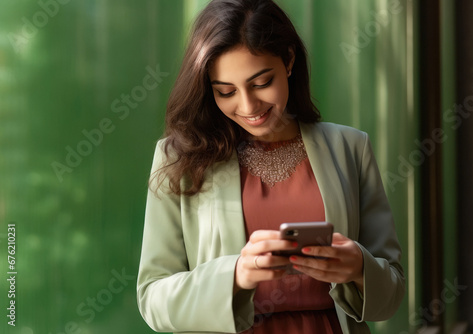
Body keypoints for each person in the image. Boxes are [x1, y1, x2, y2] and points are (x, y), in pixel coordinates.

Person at [136, 0, 405, 333]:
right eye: (225, 91)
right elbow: (153, 298)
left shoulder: (350, 148)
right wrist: (235, 275)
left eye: (261, 83)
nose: (248, 106)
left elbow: (392, 296)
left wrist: (359, 269)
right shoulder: (181, 159)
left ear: (289, 60)